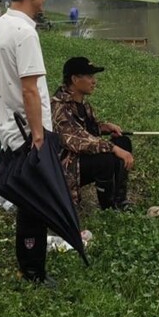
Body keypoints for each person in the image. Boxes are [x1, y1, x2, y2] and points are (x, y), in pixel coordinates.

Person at [0, 0, 56, 285]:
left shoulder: (1, 24)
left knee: (29, 200)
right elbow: (30, 89)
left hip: (10, 127)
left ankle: (27, 264)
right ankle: (33, 271)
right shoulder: (25, 32)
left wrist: (4, 82)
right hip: (29, 132)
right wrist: (39, 136)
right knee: (35, 204)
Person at [52, 57, 134, 211]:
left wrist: (103, 127)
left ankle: (120, 199)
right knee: (106, 158)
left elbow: (87, 129)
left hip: (80, 159)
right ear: (75, 79)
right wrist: (113, 148)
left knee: (123, 142)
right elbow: (76, 140)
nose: (94, 81)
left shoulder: (82, 103)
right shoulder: (59, 107)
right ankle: (109, 208)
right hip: (65, 167)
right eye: (89, 77)